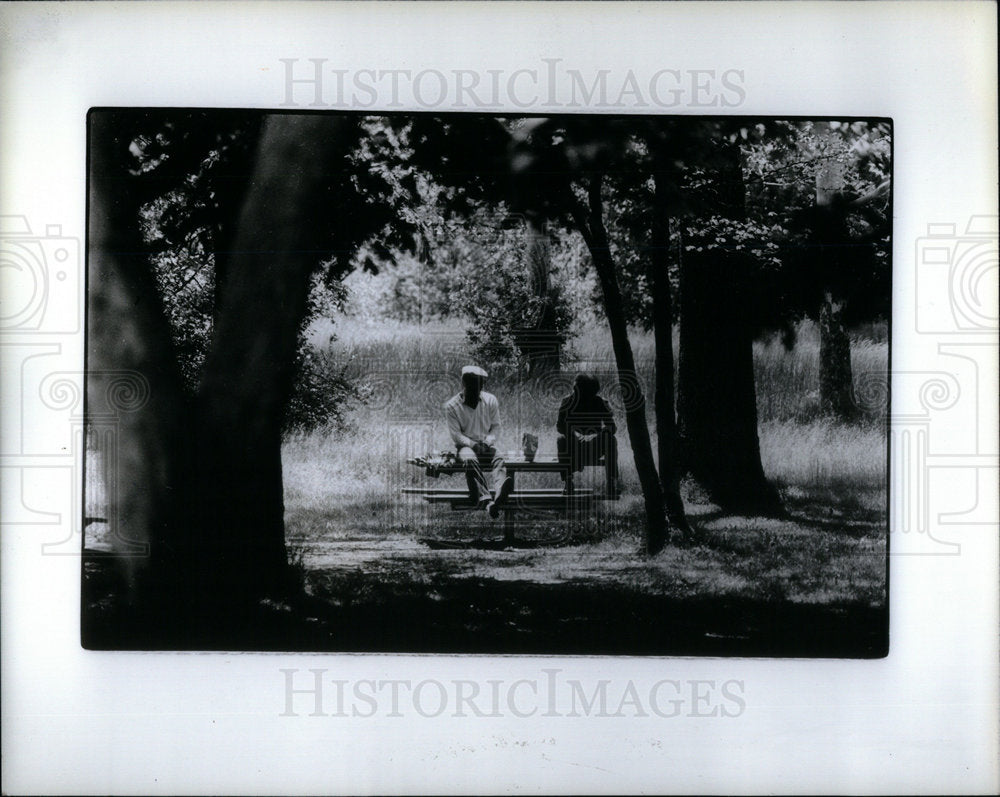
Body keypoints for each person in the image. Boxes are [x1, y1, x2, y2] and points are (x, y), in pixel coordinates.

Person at [444, 365, 513, 518]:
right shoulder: (452, 406)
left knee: (499, 459)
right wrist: (474, 445)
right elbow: (456, 435)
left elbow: (496, 427)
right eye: (473, 386)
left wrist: (487, 442)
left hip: (486, 444)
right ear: (464, 385)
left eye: (480, 386)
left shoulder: (490, 400)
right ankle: (487, 500)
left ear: (482, 386)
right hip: (466, 446)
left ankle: (500, 493)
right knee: (469, 460)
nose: (477, 390)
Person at [556, 373, 620, 496]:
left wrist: (596, 435)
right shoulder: (567, 401)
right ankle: (568, 483)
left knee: (611, 440)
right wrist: (574, 433)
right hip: (574, 447)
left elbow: (612, 427)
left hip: (594, 447)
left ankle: (611, 484)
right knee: (561, 440)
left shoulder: (599, 402)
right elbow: (559, 426)